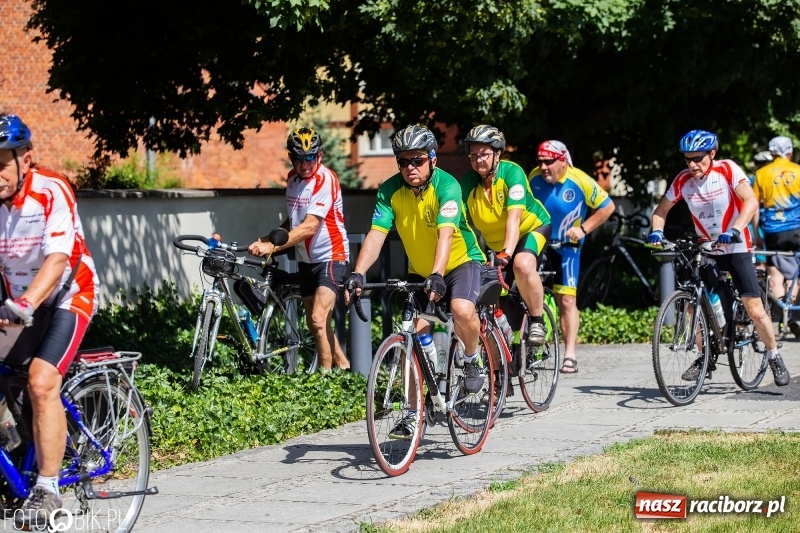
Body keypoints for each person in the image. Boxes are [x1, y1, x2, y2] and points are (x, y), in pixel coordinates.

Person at [343, 125, 486, 438]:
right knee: (410, 336)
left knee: (462, 309)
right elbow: (377, 234)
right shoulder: (389, 191)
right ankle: (413, 412)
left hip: (461, 263)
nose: (410, 168)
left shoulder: (447, 185)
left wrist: (437, 274)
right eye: (403, 162)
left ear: (432, 159)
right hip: (420, 271)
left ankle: (473, 360)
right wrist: (358, 272)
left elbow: (445, 234)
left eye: (417, 160)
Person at [0, 114, 99, 529]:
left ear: (26, 157)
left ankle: (48, 487)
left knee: (42, 381)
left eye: (1, 162)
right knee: (9, 377)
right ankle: (27, 449)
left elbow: (58, 259)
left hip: (68, 295)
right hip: (16, 303)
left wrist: (26, 302)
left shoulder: (51, 190)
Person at [647, 129, 790, 387]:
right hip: (707, 249)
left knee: (755, 310)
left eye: (698, 158)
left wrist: (735, 229)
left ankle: (774, 354)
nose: (692, 164)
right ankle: (706, 355)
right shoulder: (682, 181)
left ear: (712, 154)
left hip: (735, 247)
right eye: (687, 159)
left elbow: (750, 201)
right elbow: (662, 209)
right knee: (694, 303)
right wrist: (657, 230)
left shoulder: (727, 170)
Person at [248, 127, 350, 371]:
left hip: (331, 256)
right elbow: (293, 222)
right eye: (298, 158)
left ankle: (324, 386)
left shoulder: (326, 179)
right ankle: (345, 367)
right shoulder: (292, 180)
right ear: (291, 158)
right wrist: (265, 239)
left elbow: (309, 227)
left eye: (310, 157)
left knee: (317, 318)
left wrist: (271, 246)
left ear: (320, 156)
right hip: (306, 260)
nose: (305, 164)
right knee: (317, 322)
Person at [459, 125, 552, 350]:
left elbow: (514, 218)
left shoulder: (512, 173)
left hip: (531, 230)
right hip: (496, 244)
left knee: (522, 263)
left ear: (497, 154)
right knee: (494, 301)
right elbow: (459, 225)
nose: (478, 160)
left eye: (483, 154)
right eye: (473, 155)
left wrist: (508, 253)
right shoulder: (468, 183)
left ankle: (538, 320)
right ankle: (503, 369)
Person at [528, 140, 615, 374]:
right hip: (539, 244)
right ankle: (530, 347)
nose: (543, 167)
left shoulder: (580, 179)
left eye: (549, 162)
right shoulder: (533, 177)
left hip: (567, 247)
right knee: (526, 292)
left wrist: (584, 229)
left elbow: (608, 207)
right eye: (540, 162)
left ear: (563, 161)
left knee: (566, 300)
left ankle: (570, 354)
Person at [751, 136, 800, 337]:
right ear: (789, 152)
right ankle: (795, 317)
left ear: (772, 153)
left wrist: (757, 234)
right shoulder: (798, 171)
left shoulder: (762, 174)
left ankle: (780, 315)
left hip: (773, 231)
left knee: (776, 273)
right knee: (797, 274)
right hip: (797, 229)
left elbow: (754, 207)